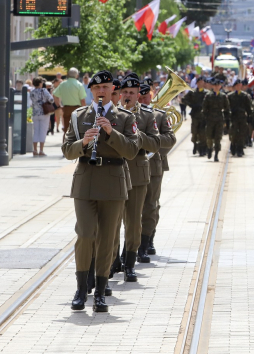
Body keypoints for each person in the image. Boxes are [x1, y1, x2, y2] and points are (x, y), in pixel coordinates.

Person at [61, 71, 139, 312]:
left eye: (105, 87)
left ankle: (101, 291)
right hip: (85, 182)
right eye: (97, 88)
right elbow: (67, 150)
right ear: (91, 91)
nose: (101, 92)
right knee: (85, 234)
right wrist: (83, 143)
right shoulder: (79, 116)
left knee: (107, 238)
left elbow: (132, 150)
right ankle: (81, 289)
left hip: (113, 182)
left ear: (112, 89)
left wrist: (111, 133)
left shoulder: (124, 117)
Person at [114, 74, 160, 283]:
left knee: (133, 222)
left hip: (137, 174)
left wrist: (137, 135)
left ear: (138, 95)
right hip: (114, 172)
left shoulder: (147, 116)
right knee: (113, 222)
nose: (128, 96)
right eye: (125, 92)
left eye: (132, 93)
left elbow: (156, 144)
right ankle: (113, 258)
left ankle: (130, 262)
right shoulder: (112, 114)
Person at [138, 83, 176, 262]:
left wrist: (152, 140)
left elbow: (170, 139)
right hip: (131, 165)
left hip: (153, 166)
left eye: (145, 97)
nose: (142, 100)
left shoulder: (159, 115)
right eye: (139, 97)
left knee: (151, 206)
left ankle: (147, 240)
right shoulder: (125, 115)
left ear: (151, 97)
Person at [202, 78, 230, 161]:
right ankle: (210, 148)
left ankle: (216, 154)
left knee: (218, 138)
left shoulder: (223, 96)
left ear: (220, 86)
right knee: (209, 137)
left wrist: (227, 120)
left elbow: (227, 108)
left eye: (218, 85)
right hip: (210, 119)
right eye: (215, 85)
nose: (217, 87)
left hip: (219, 120)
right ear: (213, 86)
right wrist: (205, 118)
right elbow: (204, 108)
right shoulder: (208, 95)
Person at [54, 68, 87, 133]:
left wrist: (59, 105)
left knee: (66, 129)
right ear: (77, 75)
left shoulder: (63, 84)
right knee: (76, 129)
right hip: (77, 109)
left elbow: (55, 95)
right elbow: (82, 100)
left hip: (66, 108)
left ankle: (66, 139)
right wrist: (85, 110)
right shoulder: (79, 84)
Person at [182, 77, 208, 156]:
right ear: (197, 83)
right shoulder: (192, 92)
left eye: (202, 82)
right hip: (195, 115)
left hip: (204, 116)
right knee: (194, 131)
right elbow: (184, 99)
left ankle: (202, 149)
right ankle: (195, 144)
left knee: (203, 132)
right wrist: (191, 105)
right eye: (199, 82)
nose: (201, 84)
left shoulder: (207, 93)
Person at [29, 77, 54, 156]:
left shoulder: (32, 92)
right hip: (44, 113)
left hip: (35, 113)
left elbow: (31, 102)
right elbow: (51, 100)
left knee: (36, 131)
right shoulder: (44, 90)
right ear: (40, 83)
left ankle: (35, 150)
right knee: (43, 131)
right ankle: (41, 150)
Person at [227, 79, 253, 157]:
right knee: (233, 133)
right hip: (234, 118)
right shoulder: (230, 96)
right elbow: (227, 107)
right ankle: (233, 145)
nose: (238, 87)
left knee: (242, 134)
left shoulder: (245, 96)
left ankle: (240, 149)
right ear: (235, 86)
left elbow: (249, 107)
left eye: (240, 85)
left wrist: (250, 117)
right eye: (237, 85)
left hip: (242, 118)